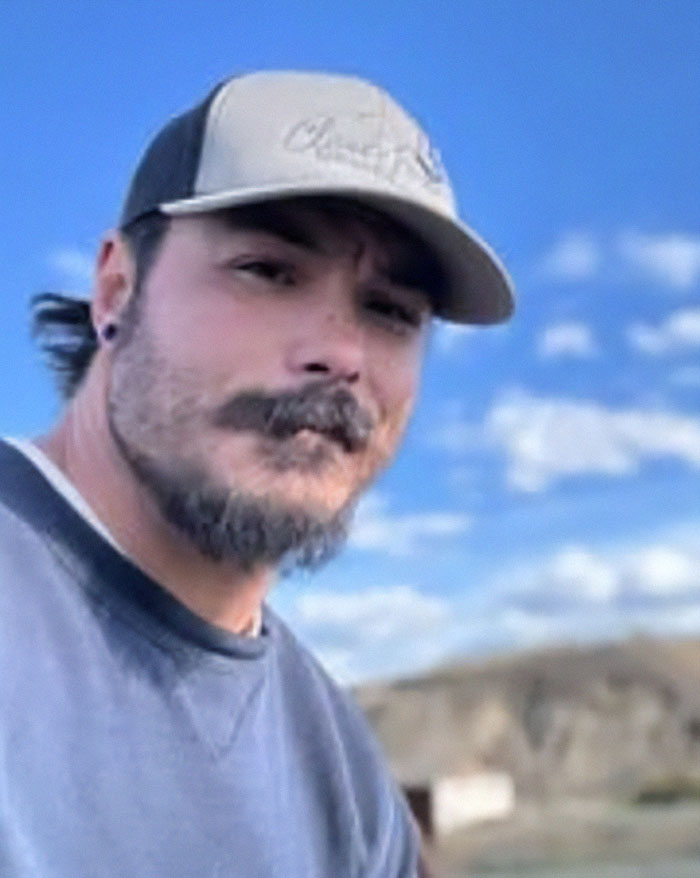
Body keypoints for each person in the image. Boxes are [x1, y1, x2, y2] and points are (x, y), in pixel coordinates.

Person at [0, 71, 513, 876]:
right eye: (269, 271)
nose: (340, 354)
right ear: (115, 290)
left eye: (392, 311)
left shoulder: (342, 777)